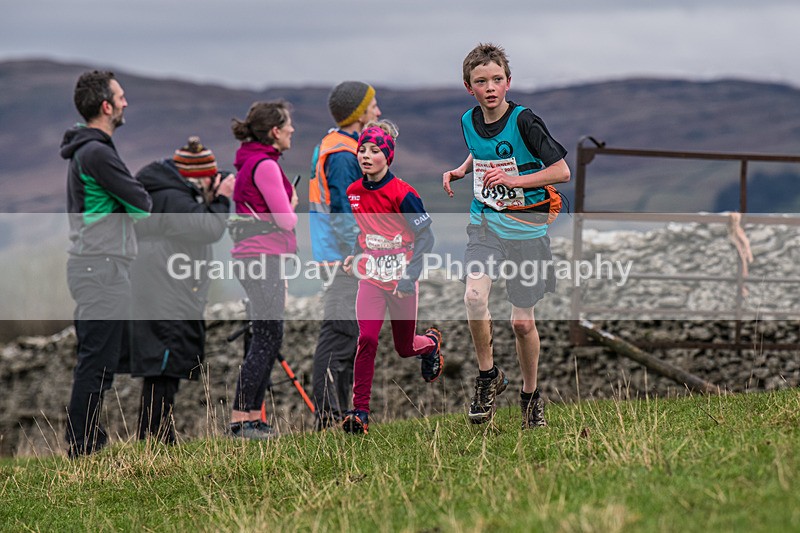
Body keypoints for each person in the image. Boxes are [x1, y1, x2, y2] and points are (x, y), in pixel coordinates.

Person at [442, 43, 570, 429]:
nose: (491, 87)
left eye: (497, 79)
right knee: (474, 296)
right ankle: (488, 377)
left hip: (528, 229)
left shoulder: (525, 121)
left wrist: (515, 180)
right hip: (485, 223)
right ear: (470, 87)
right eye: (482, 81)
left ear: (508, 82)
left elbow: (561, 171)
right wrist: (464, 169)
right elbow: (481, 152)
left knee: (521, 324)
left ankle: (530, 395)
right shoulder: (467, 121)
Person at [60, 70, 152, 457]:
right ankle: (82, 446)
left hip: (95, 266)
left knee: (101, 358)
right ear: (106, 106)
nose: (126, 102)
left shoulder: (91, 150)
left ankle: (86, 440)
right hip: (101, 267)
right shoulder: (97, 152)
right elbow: (143, 205)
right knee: (96, 361)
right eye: (121, 96)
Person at [128, 136, 234, 444]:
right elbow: (210, 229)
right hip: (166, 289)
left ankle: (155, 434)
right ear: (197, 175)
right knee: (165, 363)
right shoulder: (173, 198)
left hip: (160, 284)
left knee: (162, 366)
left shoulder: (164, 190)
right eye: (209, 176)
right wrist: (221, 200)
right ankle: (158, 436)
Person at [341, 120, 444, 435]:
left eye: (374, 151)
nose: (366, 156)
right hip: (371, 278)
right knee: (367, 339)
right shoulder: (353, 192)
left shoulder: (403, 194)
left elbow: (426, 239)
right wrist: (353, 255)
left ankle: (430, 345)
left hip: (402, 280)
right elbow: (365, 233)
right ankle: (360, 413)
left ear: (388, 157)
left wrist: (407, 276)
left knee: (404, 347)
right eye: (362, 150)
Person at [308, 81, 382, 429]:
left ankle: (338, 414)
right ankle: (327, 416)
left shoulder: (340, 146)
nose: (377, 113)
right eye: (372, 107)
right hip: (344, 257)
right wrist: (363, 251)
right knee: (339, 333)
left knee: (346, 333)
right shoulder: (341, 154)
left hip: (341, 254)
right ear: (358, 114)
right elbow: (344, 211)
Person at [228, 100, 298, 440]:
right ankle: (242, 421)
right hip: (263, 257)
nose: (292, 131)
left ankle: (252, 418)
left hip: (251, 257)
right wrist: (293, 203)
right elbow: (285, 219)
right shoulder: (266, 166)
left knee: (266, 335)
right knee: (267, 336)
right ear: (274, 131)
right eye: (287, 125)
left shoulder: (248, 162)